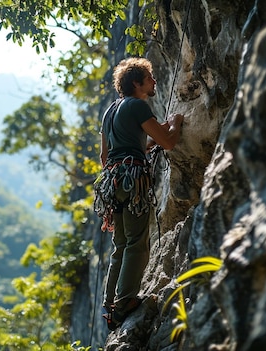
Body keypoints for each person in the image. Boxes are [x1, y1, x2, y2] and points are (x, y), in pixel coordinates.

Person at [94, 57, 184, 330]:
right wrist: (176, 122)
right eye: (150, 78)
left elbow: (104, 155)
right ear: (137, 83)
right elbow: (167, 141)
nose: (154, 82)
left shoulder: (110, 111)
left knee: (120, 245)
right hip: (132, 181)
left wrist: (137, 148)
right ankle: (125, 302)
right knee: (136, 242)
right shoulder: (137, 106)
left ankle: (111, 306)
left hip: (112, 182)